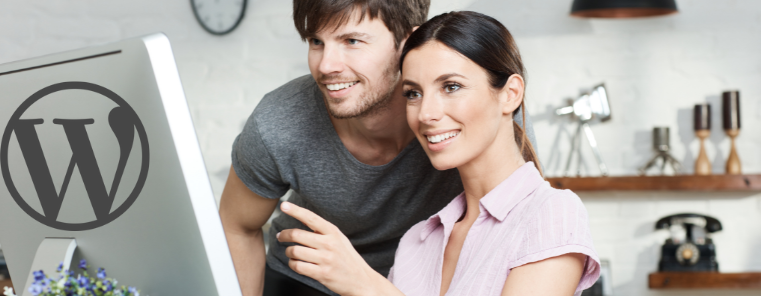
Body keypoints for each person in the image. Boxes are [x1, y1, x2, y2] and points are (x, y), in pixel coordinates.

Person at [219, 1, 536, 295]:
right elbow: (238, 226)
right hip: (305, 280)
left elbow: (516, 233)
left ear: (408, 43)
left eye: (351, 41)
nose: (326, 65)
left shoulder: (486, 117)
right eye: (316, 41)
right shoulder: (279, 121)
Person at [276, 11, 600, 296]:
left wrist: (366, 285)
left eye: (451, 87)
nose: (426, 114)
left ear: (510, 94)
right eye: (413, 93)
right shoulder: (418, 241)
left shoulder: (551, 214)